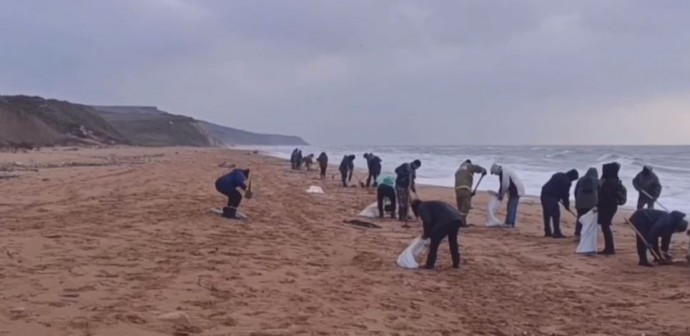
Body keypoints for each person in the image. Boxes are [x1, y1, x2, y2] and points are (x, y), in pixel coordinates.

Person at [411, 199, 463, 270]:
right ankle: (456, 263)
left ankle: (430, 264)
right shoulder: (430, 204)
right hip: (456, 219)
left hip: (445, 221)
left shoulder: (421, 207)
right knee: (453, 242)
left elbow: (427, 221)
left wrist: (426, 234)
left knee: (434, 243)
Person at [598, 162, 627, 255]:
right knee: (606, 226)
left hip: (607, 206)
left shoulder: (609, 182)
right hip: (611, 206)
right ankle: (609, 247)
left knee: (605, 227)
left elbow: (605, 196)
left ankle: (609, 248)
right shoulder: (615, 180)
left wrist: (598, 205)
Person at [540, 169, 579, 238]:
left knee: (546, 213)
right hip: (551, 196)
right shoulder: (567, 182)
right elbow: (565, 195)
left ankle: (547, 232)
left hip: (544, 193)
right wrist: (566, 205)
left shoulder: (559, 174)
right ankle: (556, 232)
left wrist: (560, 199)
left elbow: (558, 189)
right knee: (556, 214)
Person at [490, 164, 525, 228]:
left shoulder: (504, 172)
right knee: (510, 206)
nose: (495, 174)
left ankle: (510, 223)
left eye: (494, 173)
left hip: (516, 190)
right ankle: (509, 222)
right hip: (513, 190)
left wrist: (501, 195)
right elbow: (503, 185)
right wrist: (501, 193)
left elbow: (505, 185)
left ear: (496, 170)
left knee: (512, 207)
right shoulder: (503, 171)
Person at [454, 159, 487, 224]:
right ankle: (461, 222)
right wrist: (483, 170)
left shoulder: (458, 170)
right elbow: (477, 168)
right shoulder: (468, 166)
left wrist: (470, 193)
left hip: (457, 189)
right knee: (466, 206)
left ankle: (460, 220)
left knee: (460, 206)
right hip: (465, 188)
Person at [574, 167, 599, 238]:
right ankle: (587, 233)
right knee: (591, 219)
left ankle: (577, 233)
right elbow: (600, 193)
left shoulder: (581, 180)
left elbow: (575, 191)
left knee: (580, 218)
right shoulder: (597, 181)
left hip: (580, 203)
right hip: (592, 204)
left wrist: (577, 200)